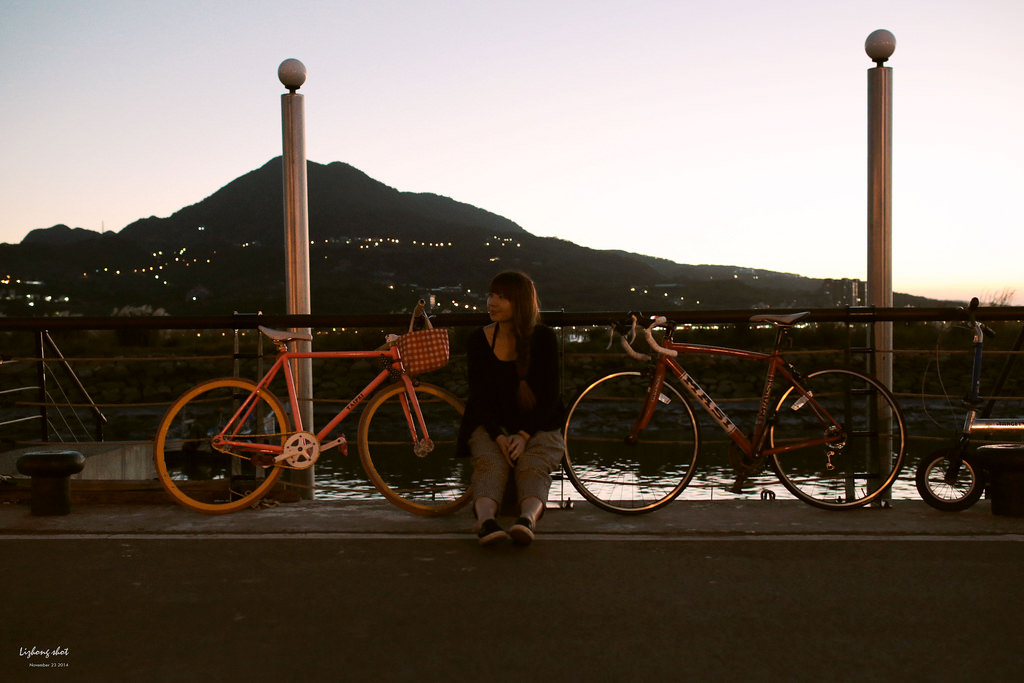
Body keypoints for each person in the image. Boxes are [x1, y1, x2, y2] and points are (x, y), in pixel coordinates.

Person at [457, 271, 565, 546]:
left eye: (502, 297)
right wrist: (499, 436)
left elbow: (550, 396)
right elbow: (478, 396)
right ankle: (486, 522)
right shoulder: (479, 339)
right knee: (489, 464)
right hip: (491, 424)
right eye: (491, 295)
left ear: (521, 303)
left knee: (534, 465)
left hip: (539, 424)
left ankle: (527, 520)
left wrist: (524, 435)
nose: (492, 302)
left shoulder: (544, 338)